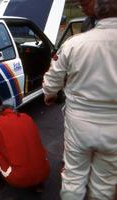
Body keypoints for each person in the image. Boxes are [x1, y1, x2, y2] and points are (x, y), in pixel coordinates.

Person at [42, 0, 117, 199]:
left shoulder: (74, 44)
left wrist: (49, 94)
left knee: (73, 177)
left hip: (79, 124)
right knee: (104, 184)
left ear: (97, 14)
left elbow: (52, 79)